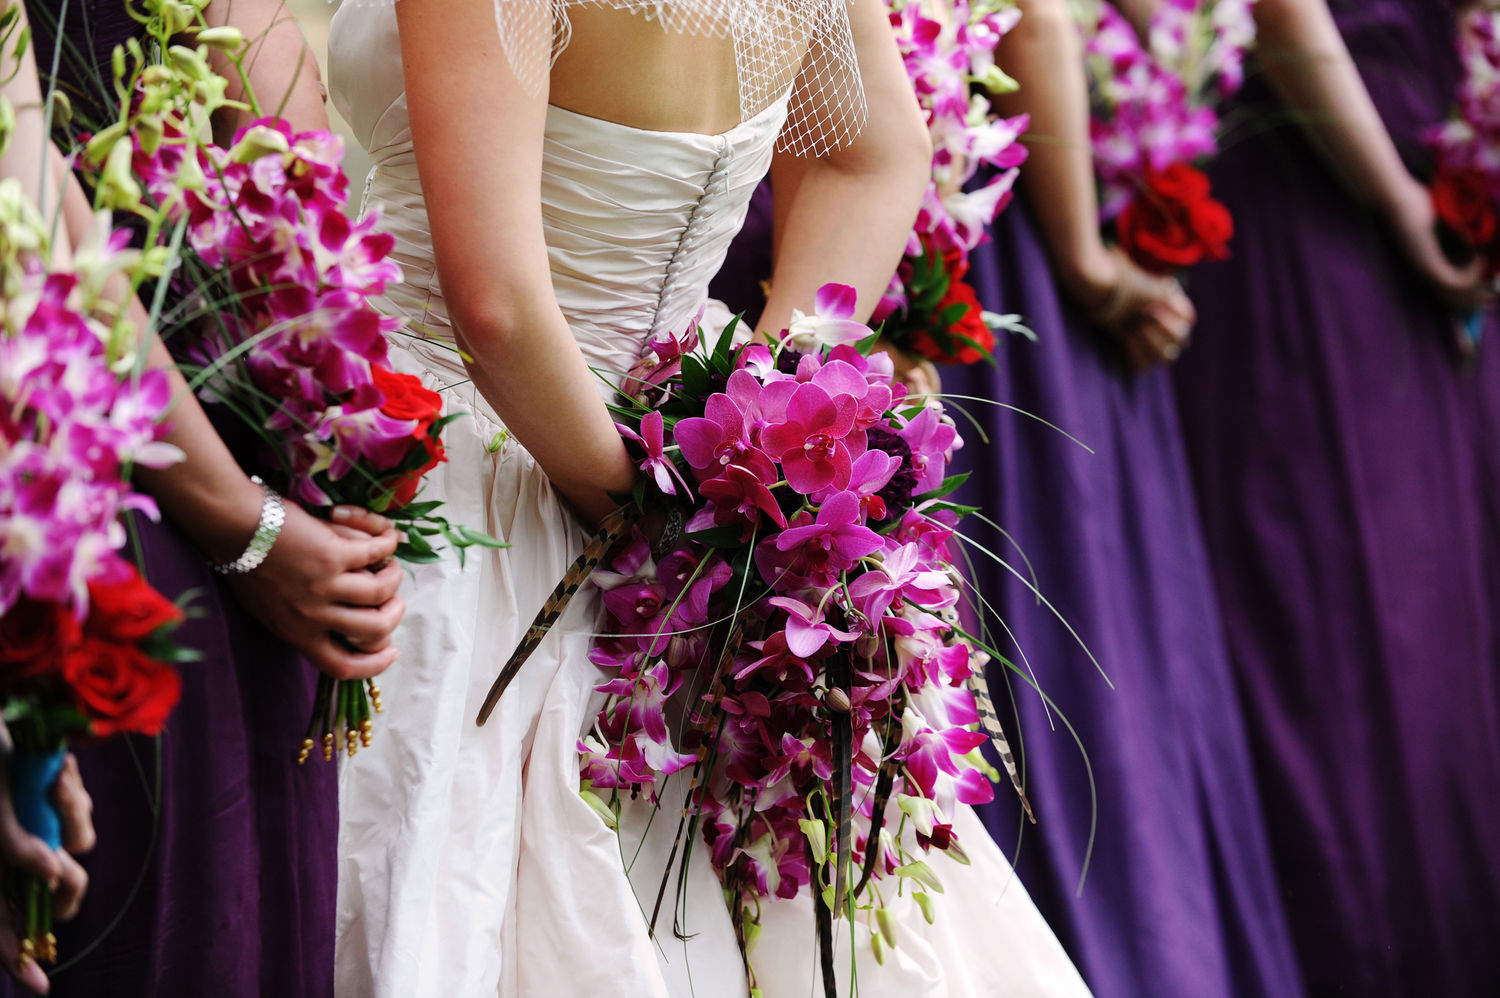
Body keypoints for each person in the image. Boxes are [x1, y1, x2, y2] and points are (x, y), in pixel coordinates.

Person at [326, 0, 1091, 994]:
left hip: (455, 468)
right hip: (672, 467)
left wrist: (645, 515)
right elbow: (880, 149)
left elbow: (496, 308)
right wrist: (757, 440)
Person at [710, 1, 1303, 995]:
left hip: (891, 254)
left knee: (978, 638)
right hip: (864, 257)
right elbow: (1036, 23)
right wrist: (1085, 258)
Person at [1, 2, 404, 994]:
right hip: (103, 475)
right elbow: (28, 200)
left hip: (192, 473)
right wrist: (255, 519)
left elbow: (292, 158)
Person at [1172, 0, 1500, 994]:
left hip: (1425, 179)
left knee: (1443, 614)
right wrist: (1398, 198)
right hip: (1316, 201)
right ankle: (1361, 952)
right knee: (1348, 614)